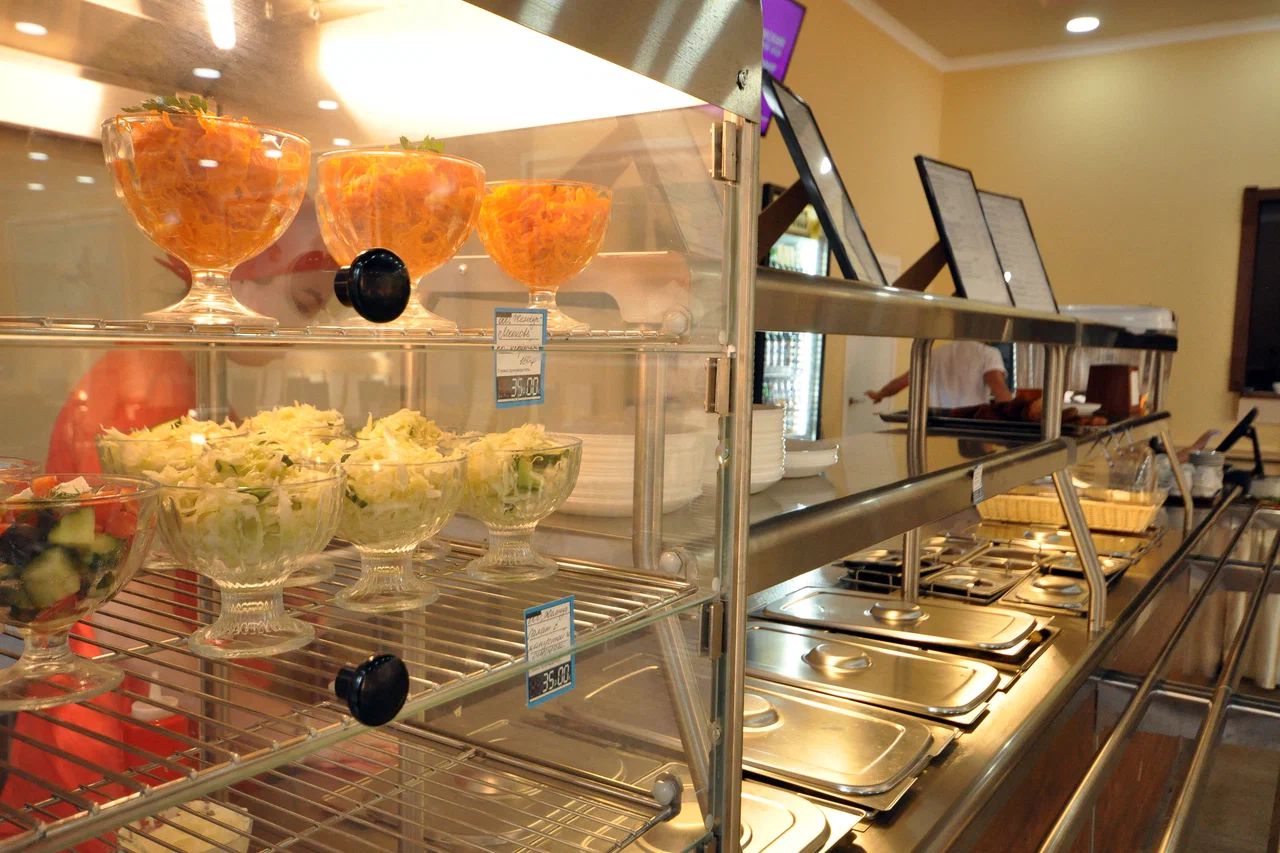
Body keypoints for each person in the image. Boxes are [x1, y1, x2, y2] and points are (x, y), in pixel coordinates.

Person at [865, 341, 1013, 409]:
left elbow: (905, 380)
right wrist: (1014, 418)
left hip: (940, 423)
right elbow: (997, 386)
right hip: (971, 425)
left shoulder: (935, 353)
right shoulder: (988, 353)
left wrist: (880, 394)